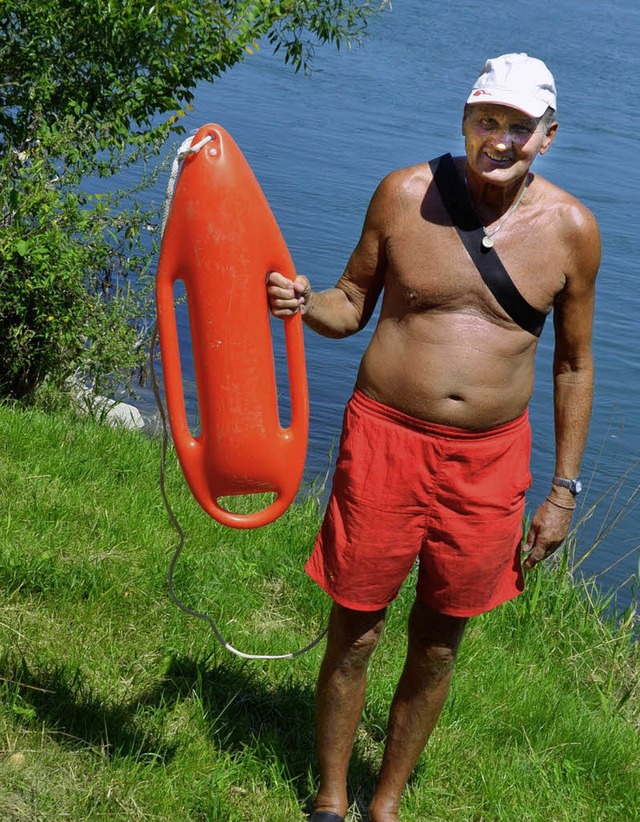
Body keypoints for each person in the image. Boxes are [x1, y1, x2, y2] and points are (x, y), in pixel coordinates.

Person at [267, 53, 600, 822]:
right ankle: (330, 796)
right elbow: (350, 303)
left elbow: (576, 365)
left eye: (521, 127)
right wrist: (300, 301)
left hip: (490, 462)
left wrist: (563, 490)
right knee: (356, 624)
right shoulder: (404, 194)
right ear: (465, 118)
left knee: (440, 638)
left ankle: (385, 805)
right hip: (385, 439)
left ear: (547, 137)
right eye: (489, 120)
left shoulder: (573, 231)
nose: (501, 139)